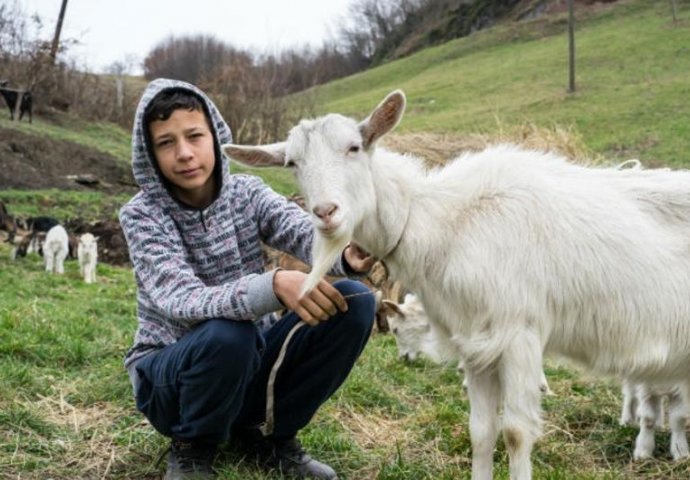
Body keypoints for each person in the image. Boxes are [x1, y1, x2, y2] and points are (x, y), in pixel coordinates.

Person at [119, 78, 377, 480]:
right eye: (166, 143)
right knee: (229, 333)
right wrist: (272, 285)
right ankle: (192, 448)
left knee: (356, 302)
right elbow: (181, 299)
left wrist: (345, 253)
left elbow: (299, 230)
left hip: (247, 364)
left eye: (194, 136)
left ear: (215, 136)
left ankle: (271, 436)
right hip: (171, 385)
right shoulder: (142, 215)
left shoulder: (246, 193)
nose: (184, 153)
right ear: (149, 154)